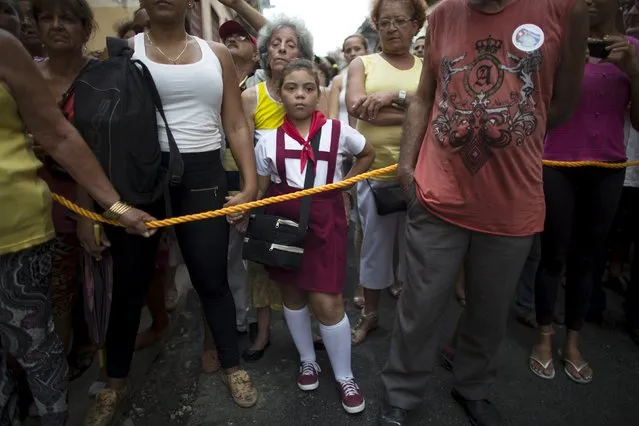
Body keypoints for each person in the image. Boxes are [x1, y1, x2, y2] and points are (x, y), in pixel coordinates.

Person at [378, 0, 588, 425]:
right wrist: (406, 167)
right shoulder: (441, 15)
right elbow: (424, 96)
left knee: (489, 311)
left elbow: (561, 102)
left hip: (513, 201)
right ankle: (401, 393)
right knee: (419, 307)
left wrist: (515, 133)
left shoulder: (564, 9)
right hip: (438, 196)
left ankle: (472, 387)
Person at [0, 4, 155, 425]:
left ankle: (85, 376)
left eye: (66, 18)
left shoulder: (99, 74)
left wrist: (104, 210)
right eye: (46, 18)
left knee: (65, 307)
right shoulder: (30, 65)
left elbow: (71, 138)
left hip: (60, 206)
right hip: (48, 196)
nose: (54, 26)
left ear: (86, 28)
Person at [253, 58, 375, 414]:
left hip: (325, 222)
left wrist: (345, 187)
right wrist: (244, 209)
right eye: (291, 88)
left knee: (328, 302)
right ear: (280, 93)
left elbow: (367, 153)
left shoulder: (340, 132)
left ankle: (345, 375)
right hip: (285, 226)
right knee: (292, 296)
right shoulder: (268, 141)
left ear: (319, 92)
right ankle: (308, 360)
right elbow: (263, 188)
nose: (300, 96)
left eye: (308, 88)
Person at [530, 0, 639, 385]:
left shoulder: (632, 49)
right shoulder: (559, 42)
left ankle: (573, 342)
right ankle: (544, 335)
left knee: (588, 258)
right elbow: (542, 102)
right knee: (554, 253)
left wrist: (634, 72)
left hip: (609, 166)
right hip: (558, 162)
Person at [239, 15, 319, 362]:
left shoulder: (316, 94)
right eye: (275, 43)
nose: (283, 50)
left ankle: (316, 326)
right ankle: (263, 332)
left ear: (302, 54)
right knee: (262, 263)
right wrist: (247, 198)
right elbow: (242, 152)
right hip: (265, 195)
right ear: (264, 52)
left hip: (307, 195)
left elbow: (326, 144)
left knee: (309, 261)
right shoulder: (250, 97)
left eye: (291, 45)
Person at [346, 0, 425, 346]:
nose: (392, 28)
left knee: (417, 251)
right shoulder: (361, 63)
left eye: (400, 21)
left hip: (420, 174)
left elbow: (438, 111)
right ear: (376, 26)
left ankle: (411, 324)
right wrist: (415, 111)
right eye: (384, 21)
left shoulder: (428, 66)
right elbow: (357, 108)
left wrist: (395, 96)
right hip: (374, 172)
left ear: (416, 25)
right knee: (374, 249)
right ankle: (371, 316)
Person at [328, 33, 369, 309]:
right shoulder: (339, 81)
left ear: (367, 49)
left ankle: (375, 280)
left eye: (358, 48)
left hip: (371, 149)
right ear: (344, 54)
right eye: (349, 49)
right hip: (345, 154)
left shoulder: (376, 74)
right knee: (351, 218)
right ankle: (352, 280)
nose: (353, 53)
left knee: (372, 219)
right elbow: (332, 118)